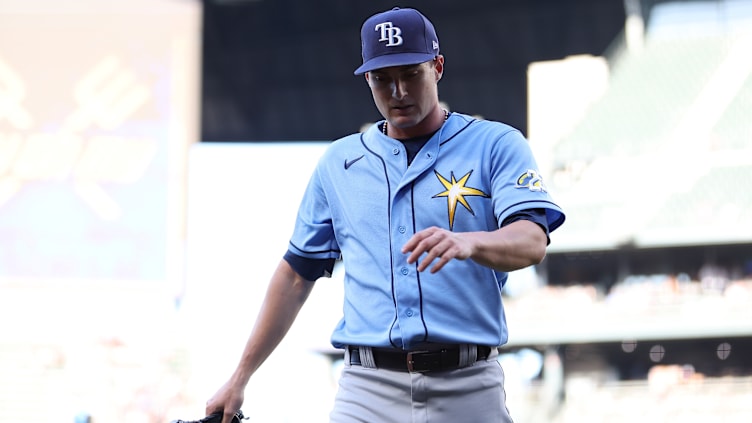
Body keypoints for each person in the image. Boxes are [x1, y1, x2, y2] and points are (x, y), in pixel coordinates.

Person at [206, 7, 565, 423]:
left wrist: (470, 241)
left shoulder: (496, 143)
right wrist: (239, 377)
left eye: (410, 73)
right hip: (367, 390)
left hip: (468, 385)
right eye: (382, 78)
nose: (397, 91)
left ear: (438, 67)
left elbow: (532, 240)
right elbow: (295, 275)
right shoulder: (338, 163)